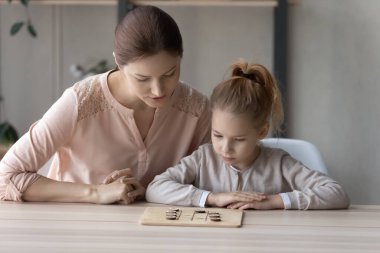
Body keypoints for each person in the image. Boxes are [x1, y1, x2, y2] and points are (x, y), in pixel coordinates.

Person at [0, 6, 211, 204]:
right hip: (72, 232)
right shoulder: (81, 102)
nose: (158, 90)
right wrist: (95, 192)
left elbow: (221, 179)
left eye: (169, 74)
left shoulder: (196, 109)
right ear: (118, 63)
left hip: (158, 236)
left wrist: (148, 192)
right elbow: (6, 177)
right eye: (142, 78)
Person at [146, 60, 350, 210]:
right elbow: (155, 188)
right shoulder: (203, 158)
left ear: (261, 131)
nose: (225, 148)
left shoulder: (279, 163)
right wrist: (213, 198)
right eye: (217, 135)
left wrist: (275, 201)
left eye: (238, 139)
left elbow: (336, 194)